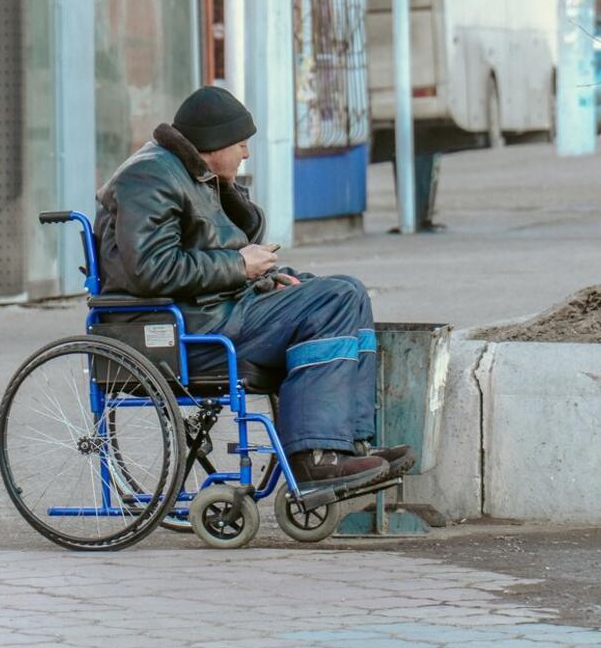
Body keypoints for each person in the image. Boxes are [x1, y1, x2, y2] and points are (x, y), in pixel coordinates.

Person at [95, 86, 416, 494]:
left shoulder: (195, 174)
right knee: (334, 300)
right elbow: (150, 270)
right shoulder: (150, 176)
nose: (246, 154)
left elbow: (201, 253)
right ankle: (316, 457)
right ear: (214, 145)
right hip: (185, 328)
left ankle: (349, 446)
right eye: (241, 144)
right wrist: (240, 266)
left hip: (216, 310)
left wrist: (264, 277)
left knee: (345, 290)